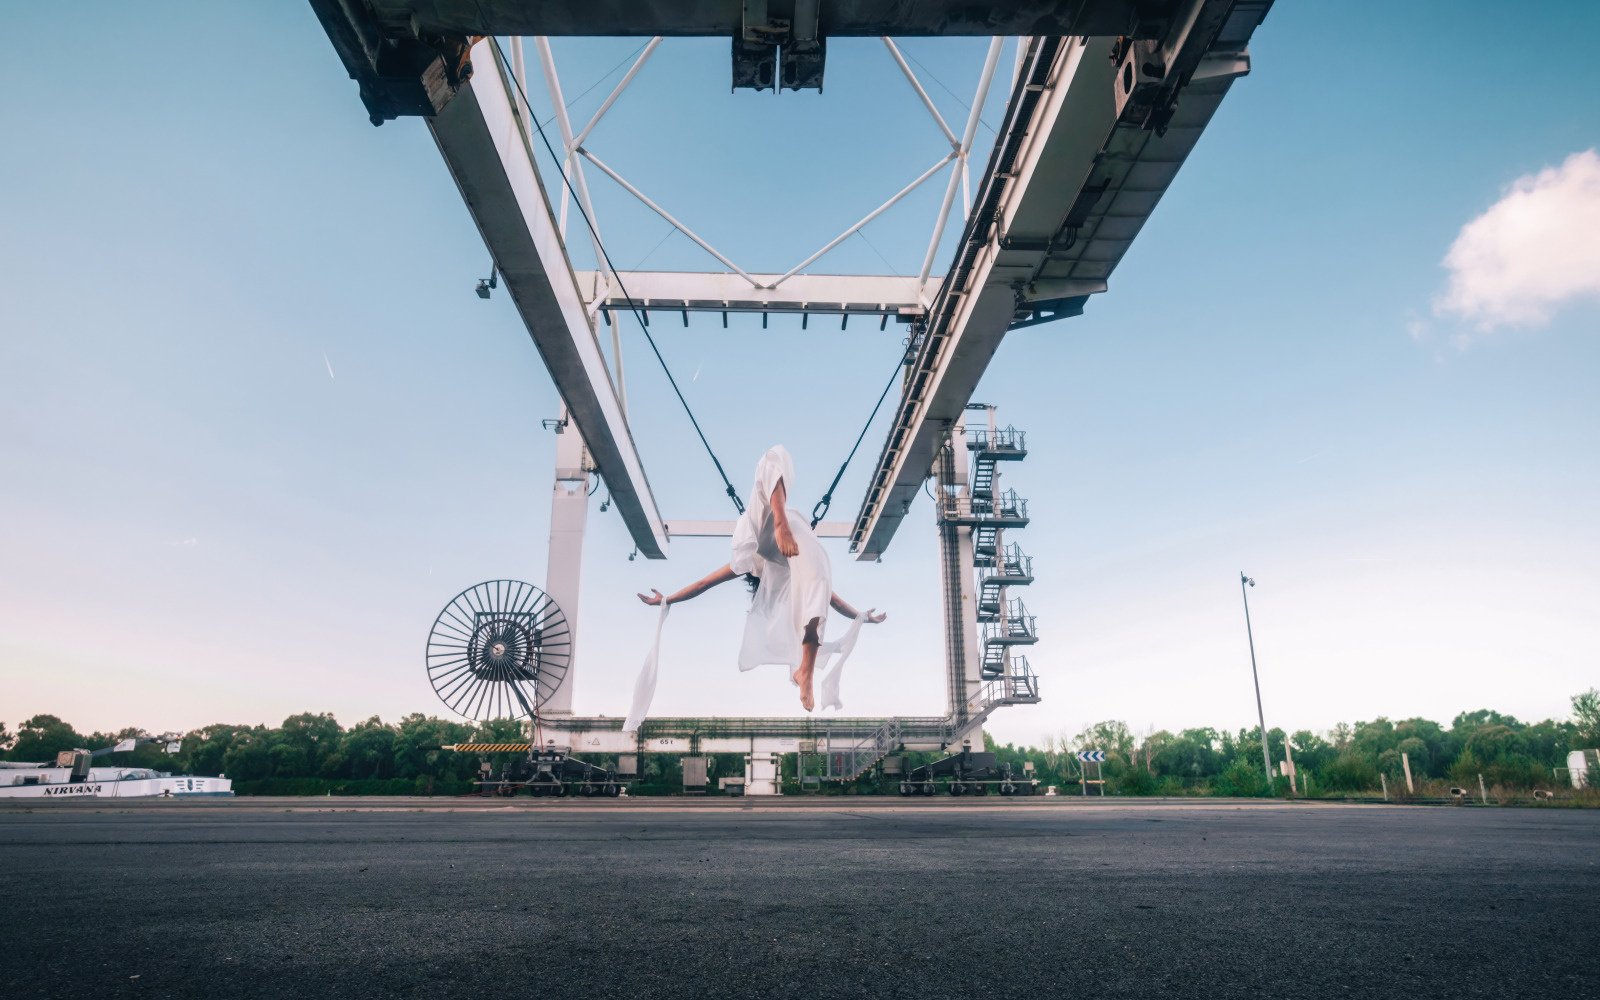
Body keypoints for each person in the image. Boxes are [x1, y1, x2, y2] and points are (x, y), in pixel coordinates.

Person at [639, 445, 885, 711]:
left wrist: (667, 600)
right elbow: (835, 602)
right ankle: (780, 522)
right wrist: (862, 616)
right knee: (774, 457)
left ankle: (806, 671)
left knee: (818, 586)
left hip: (782, 535)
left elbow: (703, 584)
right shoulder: (754, 562)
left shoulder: (755, 566)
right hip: (770, 537)